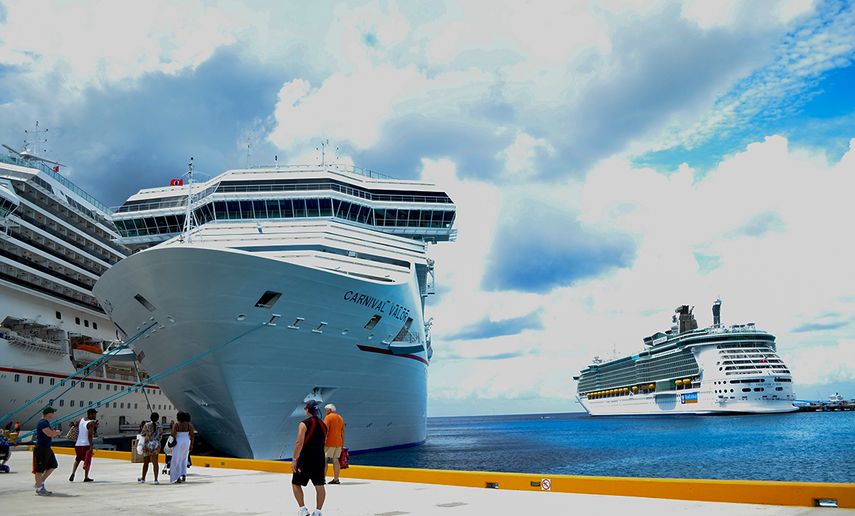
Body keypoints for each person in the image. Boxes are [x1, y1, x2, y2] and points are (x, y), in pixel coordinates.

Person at [292, 400, 327, 516]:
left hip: (306, 459)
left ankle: (303, 509)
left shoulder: (303, 424)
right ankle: (318, 511)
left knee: (296, 483)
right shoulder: (324, 425)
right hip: (320, 458)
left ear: (307, 410)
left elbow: (299, 442)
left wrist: (294, 459)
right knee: (319, 485)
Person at [33, 407, 61, 496]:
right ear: (48, 413)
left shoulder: (46, 423)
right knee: (39, 469)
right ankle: (39, 488)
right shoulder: (42, 423)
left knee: (53, 465)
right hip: (41, 448)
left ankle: (40, 483)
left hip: (47, 448)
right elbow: (49, 434)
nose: (53, 414)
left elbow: (50, 433)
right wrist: (57, 432)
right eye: (52, 412)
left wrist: (54, 432)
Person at [69, 408, 97, 482]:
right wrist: (91, 445)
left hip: (78, 444)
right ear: (90, 414)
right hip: (86, 444)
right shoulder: (91, 423)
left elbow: (74, 425)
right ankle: (86, 477)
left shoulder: (80, 420)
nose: (95, 415)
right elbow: (90, 435)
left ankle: (73, 473)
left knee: (77, 459)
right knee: (87, 461)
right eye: (94, 414)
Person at [169, 411, 194, 484]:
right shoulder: (189, 425)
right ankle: (183, 475)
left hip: (178, 442)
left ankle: (177, 477)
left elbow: (173, 434)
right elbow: (192, 435)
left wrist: (169, 444)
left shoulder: (176, 424)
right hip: (186, 442)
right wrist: (191, 444)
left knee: (176, 459)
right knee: (184, 459)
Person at [137, 412, 162, 484]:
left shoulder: (146, 425)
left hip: (148, 444)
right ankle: (156, 479)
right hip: (156, 445)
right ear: (157, 418)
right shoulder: (160, 426)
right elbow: (160, 436)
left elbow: (142, 434)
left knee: (146, 462)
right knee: (155, 463)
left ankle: (143, 479)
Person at [323, 404, 345, 484]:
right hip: (338, 443)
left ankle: (322, 479)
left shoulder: (328, 417)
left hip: (329, 443)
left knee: (324, 460)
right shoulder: (340, 418)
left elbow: (324, 430)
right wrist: (342, 443)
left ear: (329, 410)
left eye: (326, 410)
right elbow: (342, 432)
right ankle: (336, 479)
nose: (325, 412)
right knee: (335, 460)